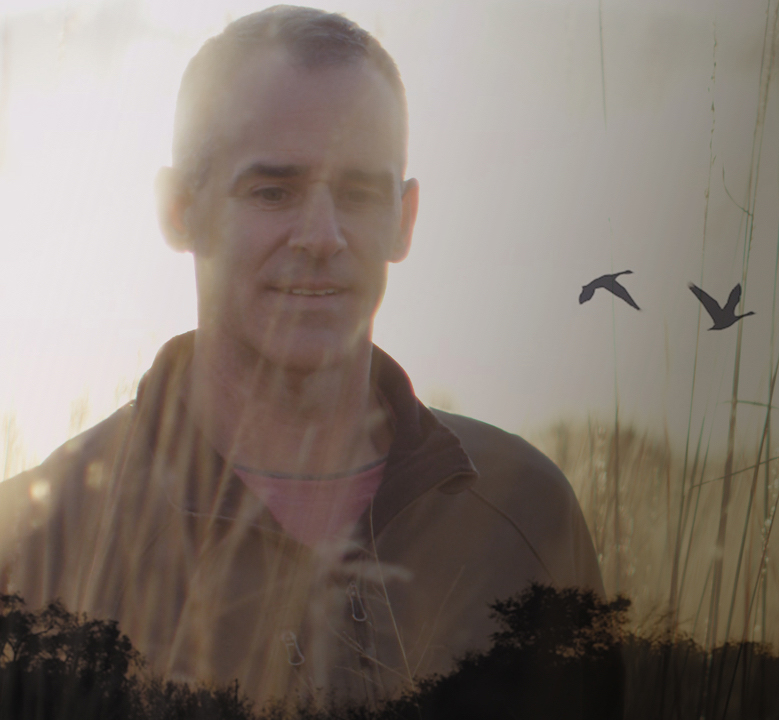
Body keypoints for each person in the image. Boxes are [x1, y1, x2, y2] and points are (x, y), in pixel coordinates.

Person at [0, 5, 604, 706]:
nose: (322, 235)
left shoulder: (527, 513)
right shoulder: (37, 546)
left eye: (357, 192)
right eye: (272, 190)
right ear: (178, 210)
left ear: (403, 221)